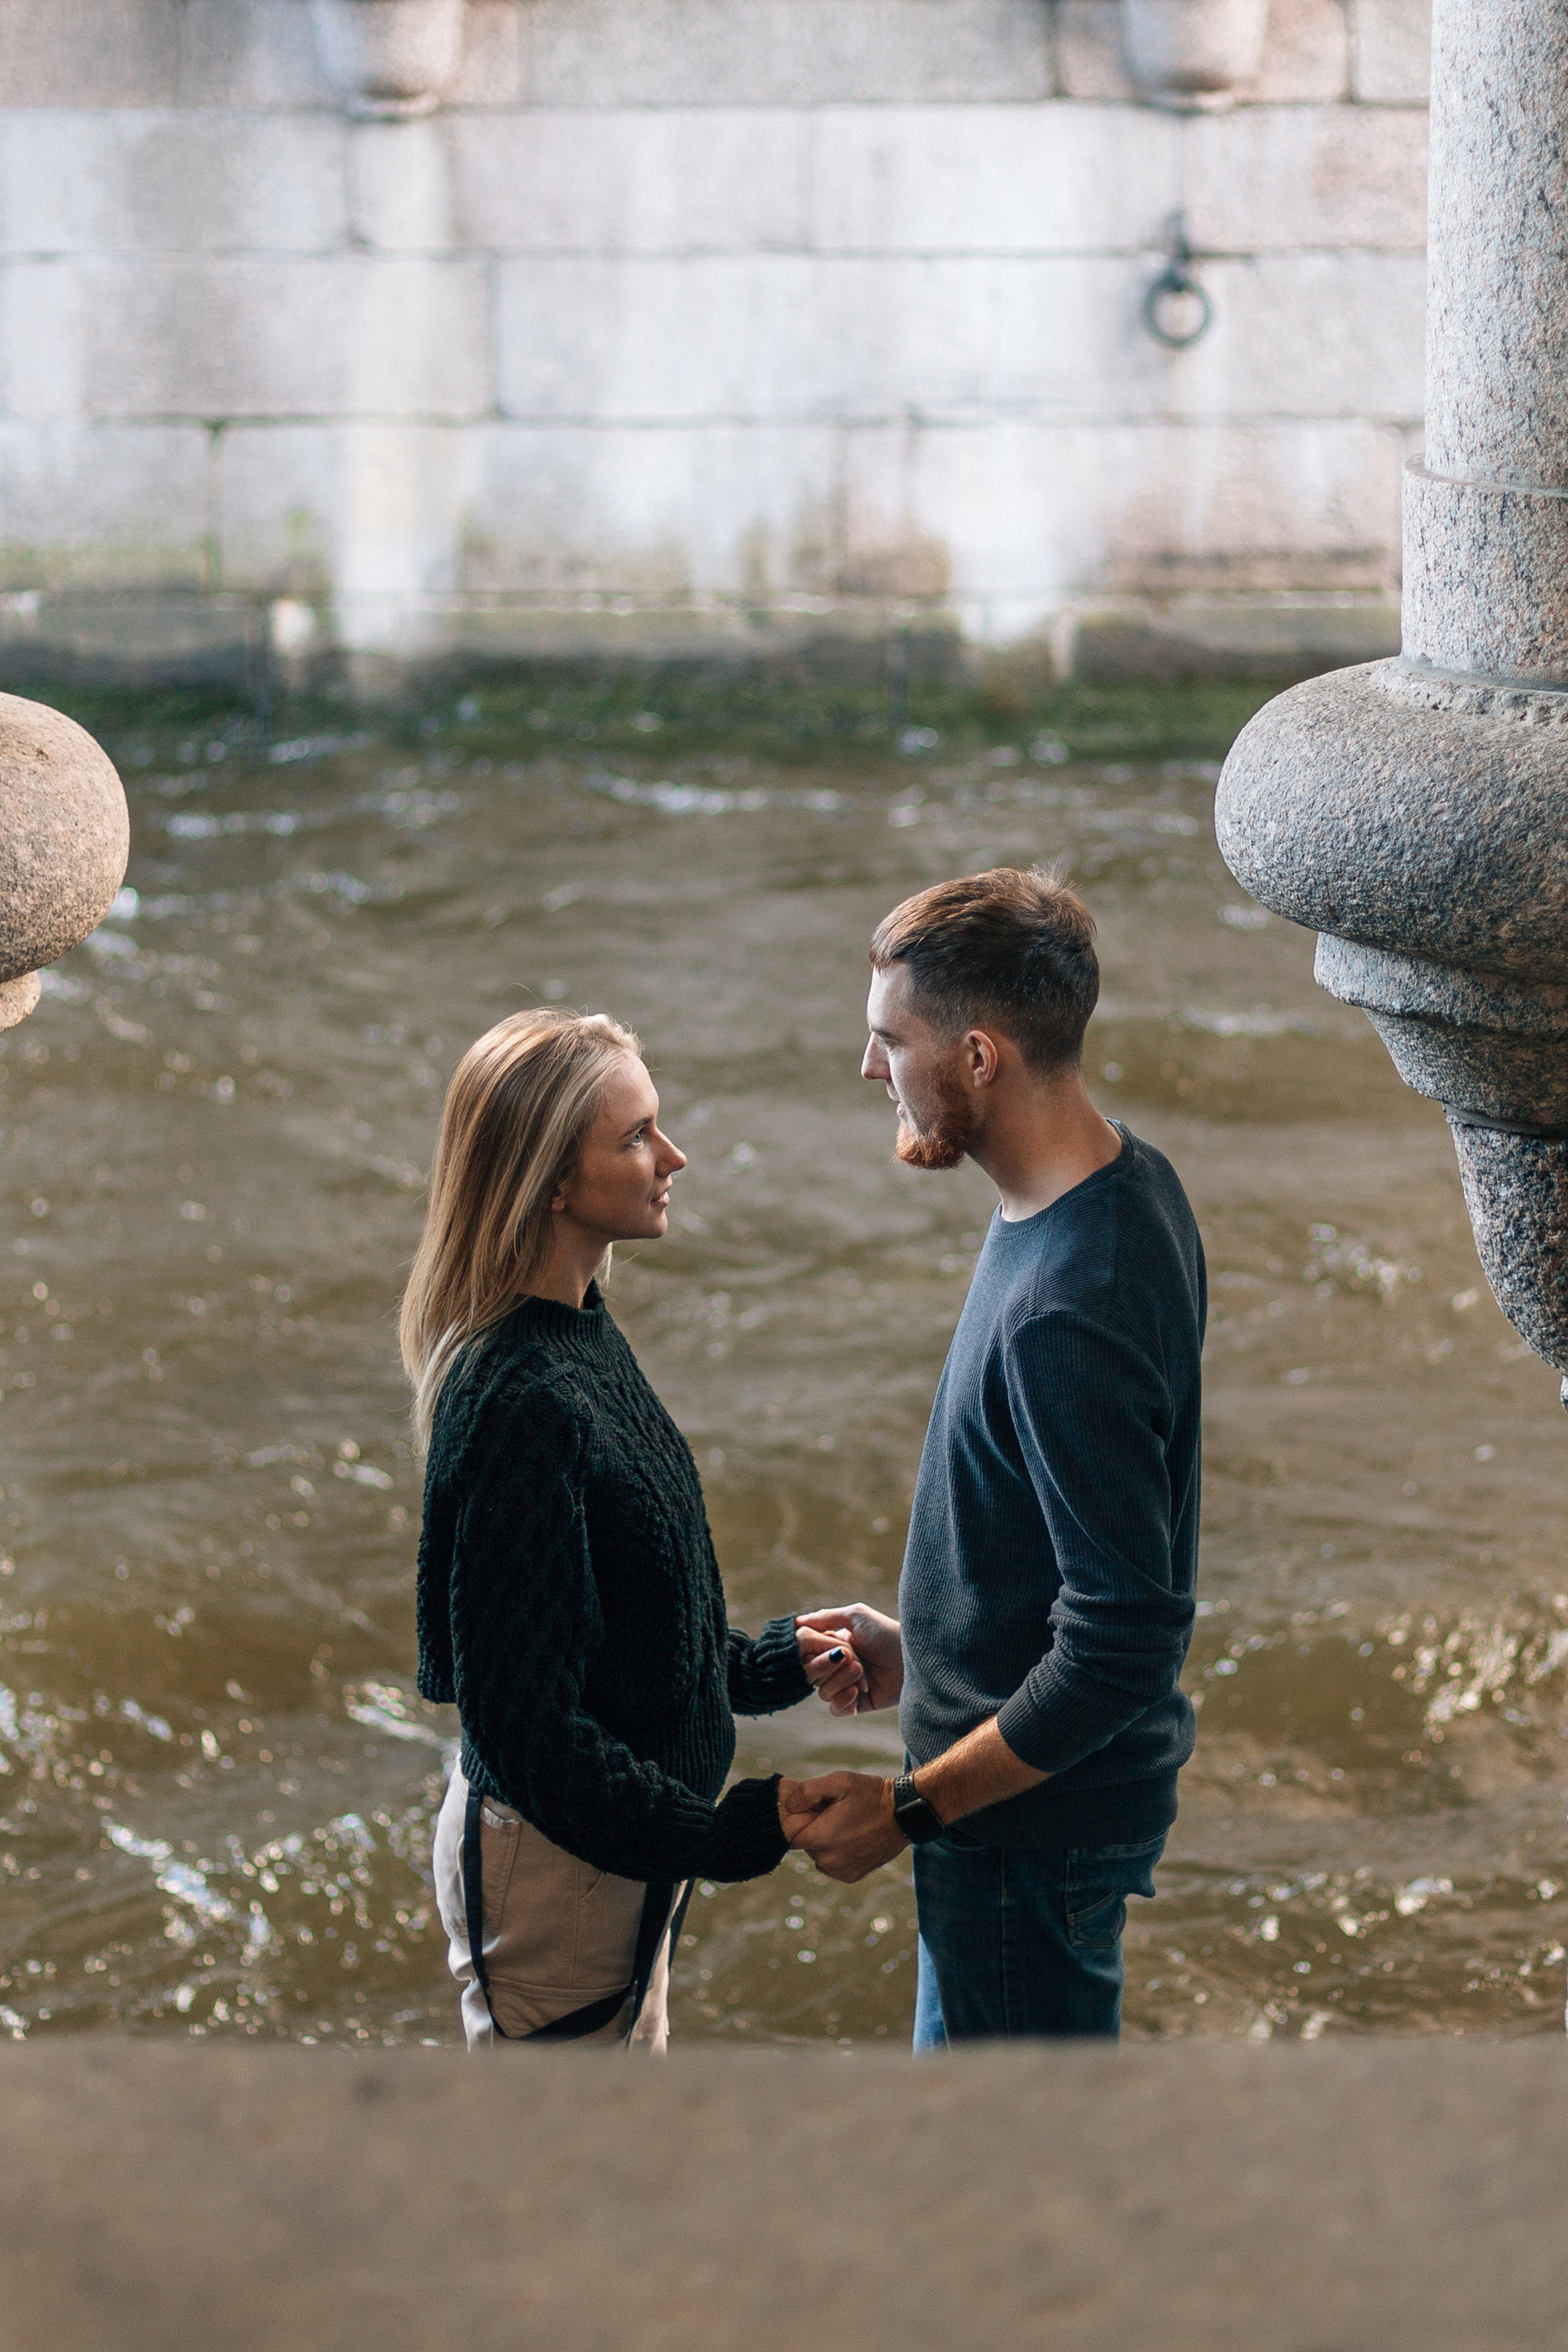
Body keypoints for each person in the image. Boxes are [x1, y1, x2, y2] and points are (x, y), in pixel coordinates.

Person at [783, 867, 1206, 2045]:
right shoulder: (1125, 1185)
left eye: (889, 1040)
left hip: (1028, 1841)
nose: (871, 1069)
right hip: (1034, 1813)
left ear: (979, 1057)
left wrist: (907, 1809)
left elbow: (1124, 1637)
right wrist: (927, 1657)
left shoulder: (1072, 1298)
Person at [402, 1008, 845, 2052]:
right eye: (637, 1135)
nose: (674, 1156)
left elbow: (623, 1640)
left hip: (615, 1840)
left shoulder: (579, 1330)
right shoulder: (524, 1400)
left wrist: (786, 1660)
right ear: (554, 1181)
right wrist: (743, 1829)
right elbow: (530, 1734)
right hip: (561, 1864)